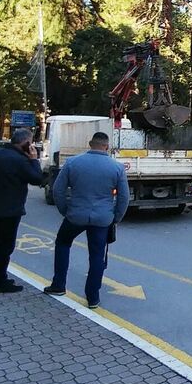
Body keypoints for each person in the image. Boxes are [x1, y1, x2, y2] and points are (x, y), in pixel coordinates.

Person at [45, 132, 130, 309]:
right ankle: (93, 297)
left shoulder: (73, 163)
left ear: (90, 144)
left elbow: (58, 190)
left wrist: (65, 210)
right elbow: (124, 198)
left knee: (63, 243)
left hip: (75, 215)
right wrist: (115, 218)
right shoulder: (116, 167)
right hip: (102, 218)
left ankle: (58, 285)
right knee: (97, 256)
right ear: (107, 146)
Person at [0, 129, 43, 294]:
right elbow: (37, 179)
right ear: (25, 143)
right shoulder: (20, 160)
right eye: (31, 142)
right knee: (6, 246)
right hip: (10, 209)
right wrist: (34, 160)